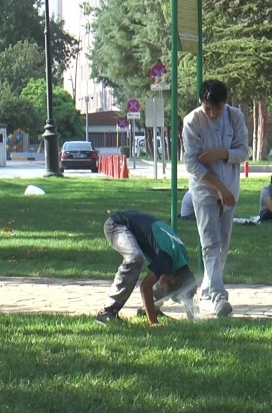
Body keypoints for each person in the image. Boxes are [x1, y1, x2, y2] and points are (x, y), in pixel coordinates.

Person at [182, 79, 249, 317]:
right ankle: (219, 296)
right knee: (210, 242)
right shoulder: (192, 122)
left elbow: (244, 151)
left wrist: (222, 153)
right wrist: (218, 187)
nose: (211, 114)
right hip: (205, 190)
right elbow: (191, 162)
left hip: (230, 189)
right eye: (207, 107)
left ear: (225, 103)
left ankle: (207, 291)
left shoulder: (235, 117)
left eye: (216, 108)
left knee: (223, 245)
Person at [96, 210, 197, 326]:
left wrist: (191, 319)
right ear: (172, 279)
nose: (166, 293)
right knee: (134, 258)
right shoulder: (166, 259)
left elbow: (186, 287)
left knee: (160, 278)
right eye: (167, 291)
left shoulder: (181, 262)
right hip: (117, 224)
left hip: (135, 223)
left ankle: (148, 309)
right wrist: (153, 323)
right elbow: (145, 287)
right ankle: (106, 312)